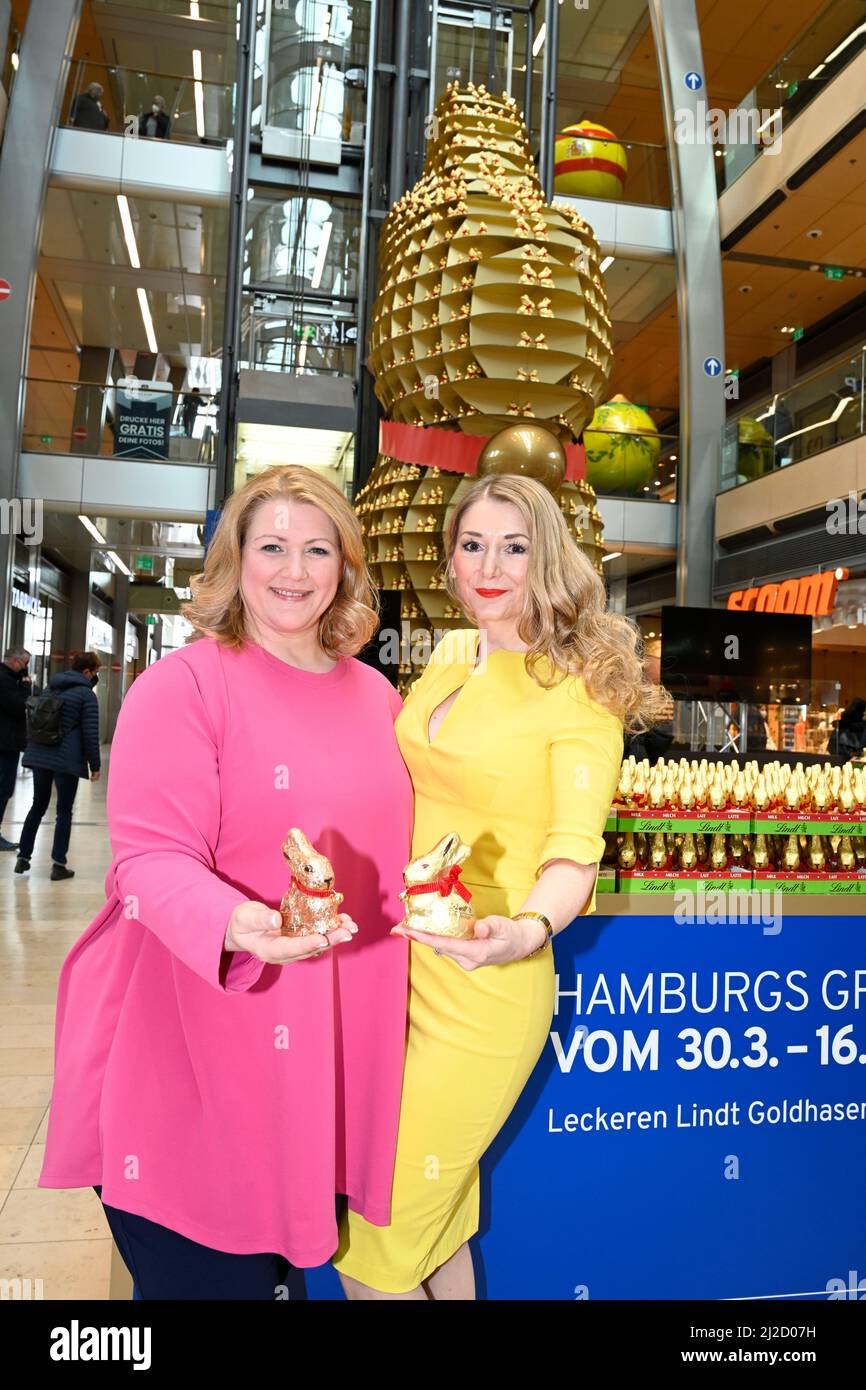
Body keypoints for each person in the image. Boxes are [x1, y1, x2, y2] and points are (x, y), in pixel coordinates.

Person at [38, 464, 413, 1300]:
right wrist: (239, 923)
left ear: (346, 568)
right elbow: (147, 859)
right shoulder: (184, 686)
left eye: (318, 549)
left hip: (322, 1056)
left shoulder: (379, 698)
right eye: (271, 545)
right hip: (193, 1050)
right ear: (235, 560)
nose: (295, 570)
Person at [333, 472, 668, 1299]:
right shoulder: (450, 654)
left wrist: (525, 930)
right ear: (450, 560)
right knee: (436, 1221)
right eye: (472, 545)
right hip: (400, 965)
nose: (490, 565)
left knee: (376, 1241)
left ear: (546, 557)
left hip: (488, 985)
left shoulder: (579, 688)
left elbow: (572, 852)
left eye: (513, 547)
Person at [14, 651, 101, 879]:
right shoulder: (86, 695)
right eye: (95, 672)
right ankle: (58, 864)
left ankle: (23, 857)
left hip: (40, 754)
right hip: (66, 759)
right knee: (63, 811)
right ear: (86, 671)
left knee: (38, 805)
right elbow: (90, 733)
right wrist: (96, 764)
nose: (95, 677)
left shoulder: (49, 687)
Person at [0, 645, 32, 851]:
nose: (25, 669)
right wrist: (26, 686)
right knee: (3, 788)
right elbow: (20, 706)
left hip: (7, 742)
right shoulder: (5, 681)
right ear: (14, 661)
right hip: (5, 744)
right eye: (24, 664)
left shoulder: (9, 679)